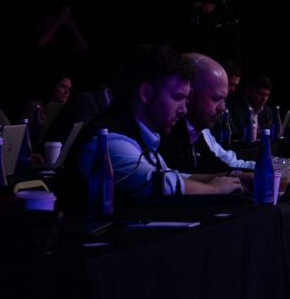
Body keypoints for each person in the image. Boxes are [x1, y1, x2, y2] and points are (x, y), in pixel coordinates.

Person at [76, 44, 243, 201]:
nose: (184, 110)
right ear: (146, 93)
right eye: (177, 97)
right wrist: (215, 189)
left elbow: (172, 175)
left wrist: (231, 177)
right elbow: (158, 183)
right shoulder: (110, 142)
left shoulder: (141, 136)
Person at [162, 53, 250, 174]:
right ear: (189, 95)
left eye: (223, 100)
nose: (222, 108)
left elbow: (219, 168)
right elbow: (175, 179)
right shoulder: (167, 133)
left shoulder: (197, 131)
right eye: (215, 99)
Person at [231, 68, 277, 149]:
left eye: (267, 95)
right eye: (260, 94)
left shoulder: (267, 111)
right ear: (248, 91)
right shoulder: (235, 110)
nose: (264, 99)